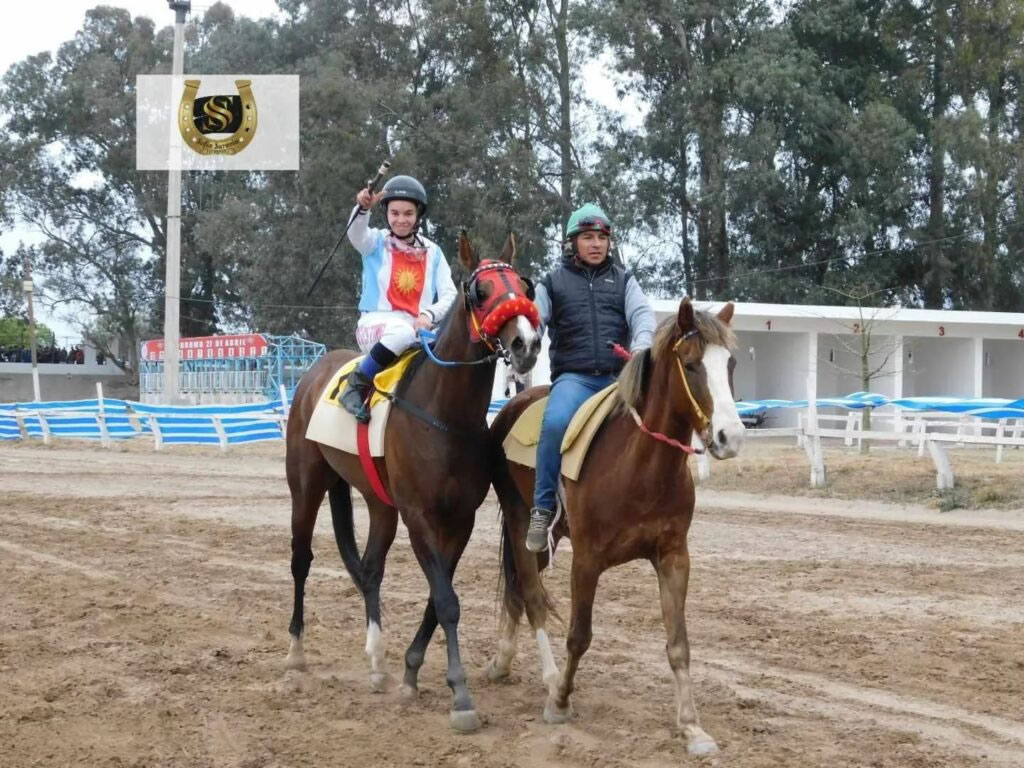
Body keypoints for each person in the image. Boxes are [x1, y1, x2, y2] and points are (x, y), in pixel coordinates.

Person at [526, 203, 656, 552]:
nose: (596, 244)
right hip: (575, 379)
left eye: (601, 238)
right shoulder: (551, 282)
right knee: (554, 424)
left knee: (658, 423)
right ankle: (542, 507)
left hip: (619, 379)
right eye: (587, 237)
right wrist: (529, 337)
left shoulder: (625, 280)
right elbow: (535, 319)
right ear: (573, 243)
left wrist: (643, 346)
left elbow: (642, 315)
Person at [339, 175, 458, 422]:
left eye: (407, 213)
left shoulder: (434, 252)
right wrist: (362, 209)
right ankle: (355, 385)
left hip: (420, 331)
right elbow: (355, 233)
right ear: (386, 213)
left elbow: (450, 294)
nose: (401, 220)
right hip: (376, 327)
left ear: (418, 216)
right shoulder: (374, 242)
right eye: (395, 213)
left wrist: (428, 314)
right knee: (402, 333)